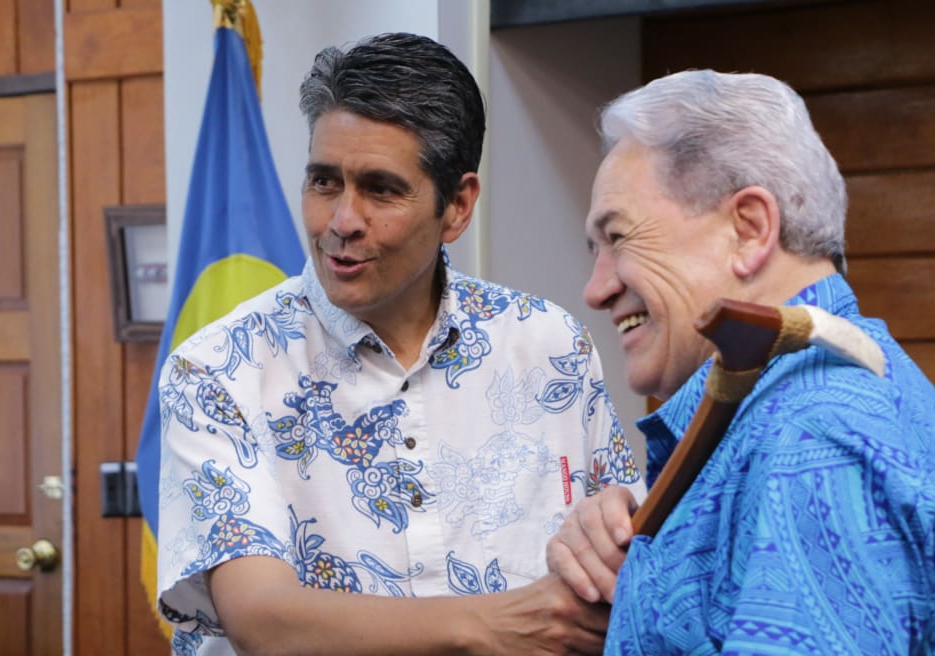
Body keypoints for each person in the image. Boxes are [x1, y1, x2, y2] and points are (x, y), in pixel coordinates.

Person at [155, 32, 645, 656]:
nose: (341, 221)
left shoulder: (548, 345)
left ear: (458, 206)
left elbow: (613, 557)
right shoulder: (219, 371)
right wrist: (492, 626)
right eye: (324, 182)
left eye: (381, 189)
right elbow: (264, 619)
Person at [546, 69, 935, 653]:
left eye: (619, 238)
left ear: (748, 230)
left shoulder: (816, 433)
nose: (596, 289)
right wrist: (635, 555)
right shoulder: (791, 409)